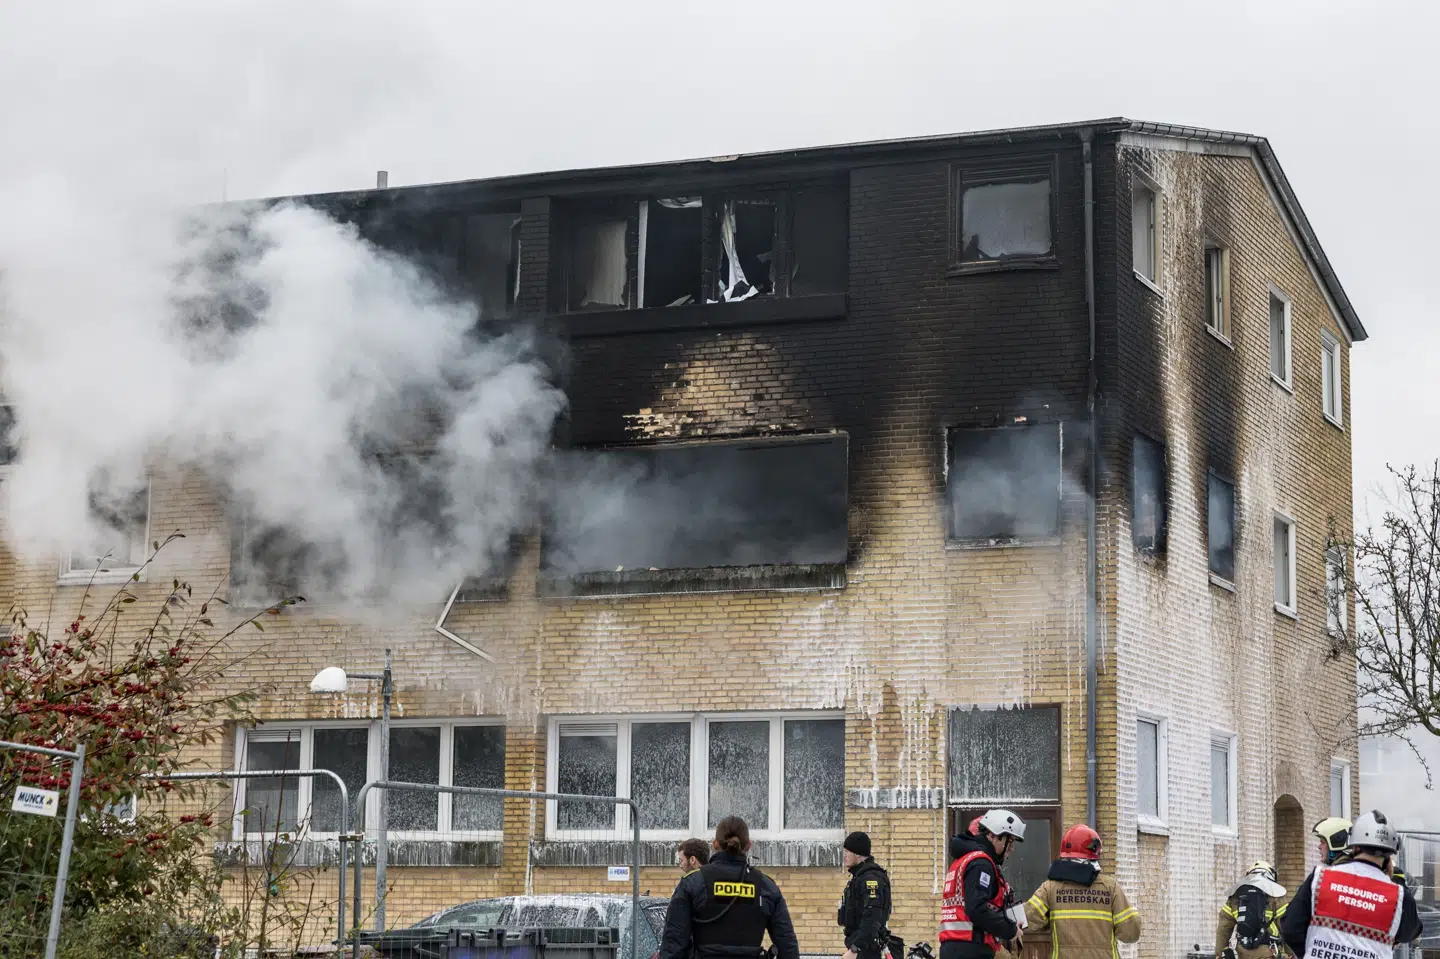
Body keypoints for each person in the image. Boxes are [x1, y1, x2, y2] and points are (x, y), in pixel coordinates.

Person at [1280, 809, 1424, 959]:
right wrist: (1396, 881)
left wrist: (1311, 952)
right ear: (1390, 854)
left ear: (1354, 846)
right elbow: (1410, 932)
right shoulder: (1398, 896)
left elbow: (1290, 927)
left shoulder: (1319, 878)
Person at [659, 815, 801, 959]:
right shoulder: (766, 887)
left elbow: (673, 945)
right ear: (748, 846)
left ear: (715, 844)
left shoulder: (693, 883)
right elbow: (787, 947)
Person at [1024, 824, 1141, 959]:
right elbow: (1130, 933)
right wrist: (1135, 915)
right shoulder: (1110, 887)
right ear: (1094, 852)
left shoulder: (1049, 888)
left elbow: (1026, 920)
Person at [941, 809, 1026, 959]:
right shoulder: (981, 864)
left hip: (955, 947)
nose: (1012, 848)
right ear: (993, 835)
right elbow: (977, 909)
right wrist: (1010, 930)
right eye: (1010, 841)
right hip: (973, 949)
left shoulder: (963, 860)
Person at [1215, 862, 1286, 959]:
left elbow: (1223, 928)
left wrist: (1220, 953)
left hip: (1242, 952)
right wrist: (1293, 954)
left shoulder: (1236, 896)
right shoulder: (1276, 895)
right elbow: (1286, 927)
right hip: (1268, 952)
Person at [839, 831, 892, 959]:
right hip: (860, 945)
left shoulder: (870, 879)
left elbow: (872, 917)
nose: (844, 856)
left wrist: (856, 948)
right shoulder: (859, 876)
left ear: (857, 854)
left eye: (847, 852)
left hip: (866, 950)